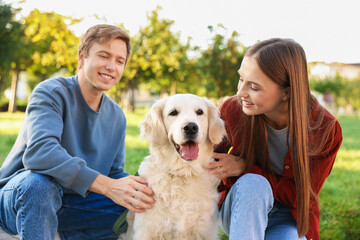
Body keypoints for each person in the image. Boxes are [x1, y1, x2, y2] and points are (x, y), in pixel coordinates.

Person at [0, 24, 154, 240]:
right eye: (104, 56)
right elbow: (41, 153)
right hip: (19, 199)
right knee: (39, 186)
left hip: (75, 204)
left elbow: (114, 173)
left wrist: (146, 187)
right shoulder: (51, 93)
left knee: (135, 205)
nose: (112, 66)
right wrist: (108, 186)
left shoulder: (117, 115)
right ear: (82, 57)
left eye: (120, 61)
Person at [206, 38, 342, 240]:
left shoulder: (325, 130)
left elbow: (301, 196)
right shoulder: (233, 110)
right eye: (241, 79)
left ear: (286, 93)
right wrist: (143, 180)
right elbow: (200, 159)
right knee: (254, 183)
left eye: (254, 87)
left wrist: (245, 167)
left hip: (289, 217)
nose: (240, 92)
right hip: (242, 206)